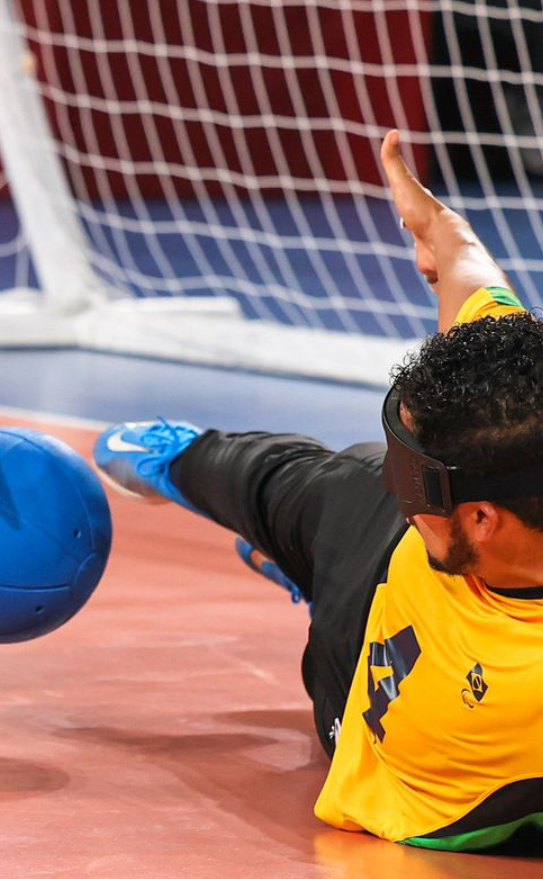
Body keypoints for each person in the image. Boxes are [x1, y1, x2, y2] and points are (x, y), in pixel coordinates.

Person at [92, 130, 543, 852]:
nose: (405, 485)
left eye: (416, 474)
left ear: (484, 514)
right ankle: (182, 460)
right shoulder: (522, 403)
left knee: (343, 551)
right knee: (336, 475)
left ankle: (306, 578)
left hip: (367, 706)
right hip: (404, 552)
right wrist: (440, 230)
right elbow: (467, 270)